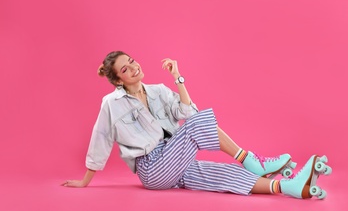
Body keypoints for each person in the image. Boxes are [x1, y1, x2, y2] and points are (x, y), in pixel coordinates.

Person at [62, 51, 332, 199]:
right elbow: (101, 137)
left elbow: (186, 110)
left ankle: (289, 188)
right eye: (125, 69)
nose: (133, 68)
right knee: (195, 124)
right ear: (118, 80)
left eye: (131, 61)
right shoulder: (112, 103)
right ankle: (250, 159)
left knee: (222, 174)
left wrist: (178, 78)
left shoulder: (157, 90)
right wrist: (85, 181)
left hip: (175, 161)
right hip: (152, 168)